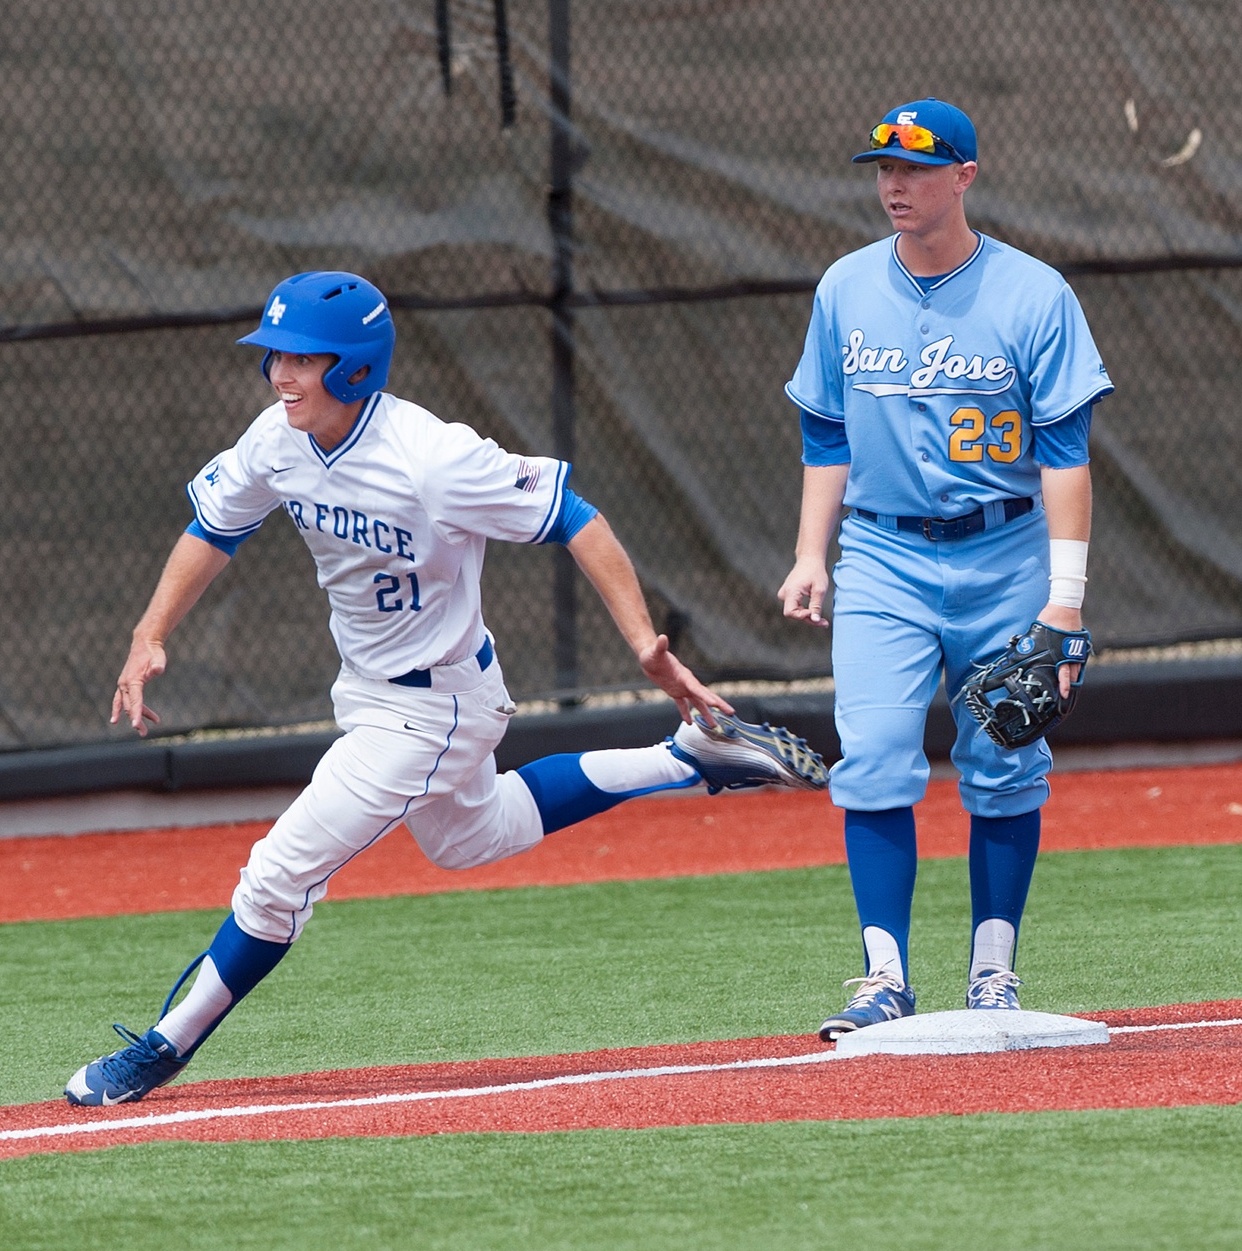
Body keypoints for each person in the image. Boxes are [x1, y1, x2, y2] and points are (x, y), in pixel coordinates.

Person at [66, 270, 829, 1105]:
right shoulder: (277, 438)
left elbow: (574, 513)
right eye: (273, 355)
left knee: (278, 875)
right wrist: (150, 633)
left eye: (301, 358)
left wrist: (646, 644)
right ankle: (686, 759)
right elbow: (214, 526)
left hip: (432, 706)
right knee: (471, 836)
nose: (280, 374)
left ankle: (162, 1046)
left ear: (354, 368)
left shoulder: (432, 458)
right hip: (371, 688)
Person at [774, 99, 1113, 1035]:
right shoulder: (845, 287)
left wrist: (1066, 601)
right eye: (883, 168)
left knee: (1005, 761)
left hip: (1006, 551)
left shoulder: (1035, 294)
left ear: (964, 175)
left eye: (917, 169)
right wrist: (812, 552)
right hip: (881, 554)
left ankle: (993, 968)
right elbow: (825, 432)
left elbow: (1067, 453)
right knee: (876, 760)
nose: (894, 185)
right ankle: (883, 975)